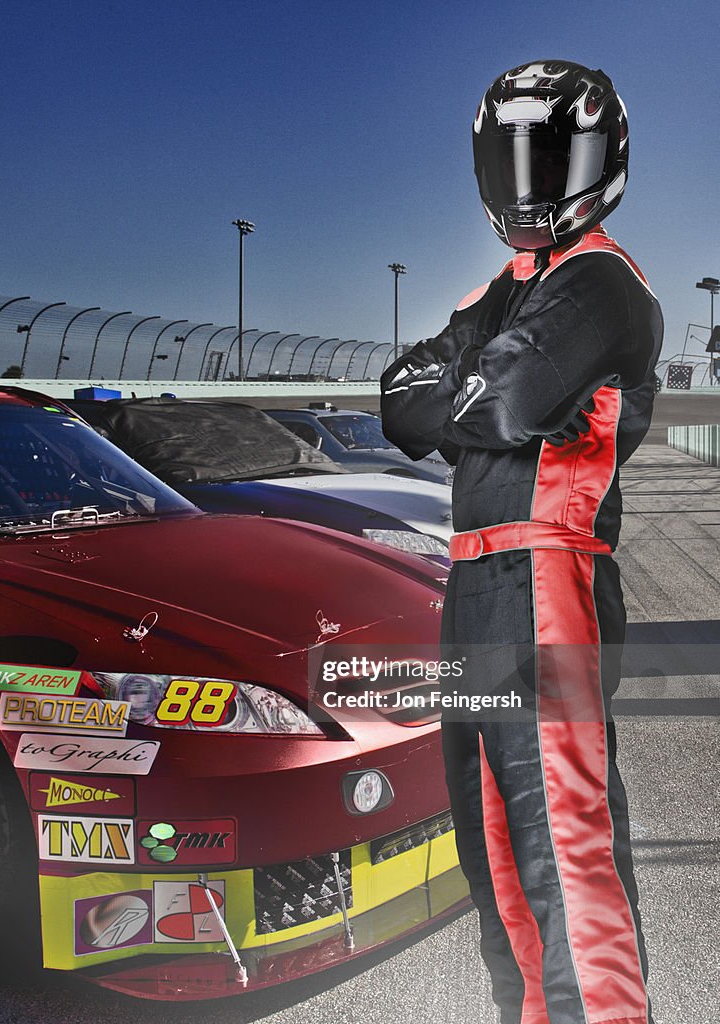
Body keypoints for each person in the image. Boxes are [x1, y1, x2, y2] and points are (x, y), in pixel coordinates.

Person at [381, 60, 661, 1024]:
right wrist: (457, 389)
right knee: (492, 847)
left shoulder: (604, 284)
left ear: (597, 157)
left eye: (549, 154)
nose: (530, 180)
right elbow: (399, 404)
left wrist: (458, 386)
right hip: (473, 580)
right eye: (513, 157)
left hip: (551, 571)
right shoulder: (498, 291)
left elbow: (496, 397)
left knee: (561, 848)